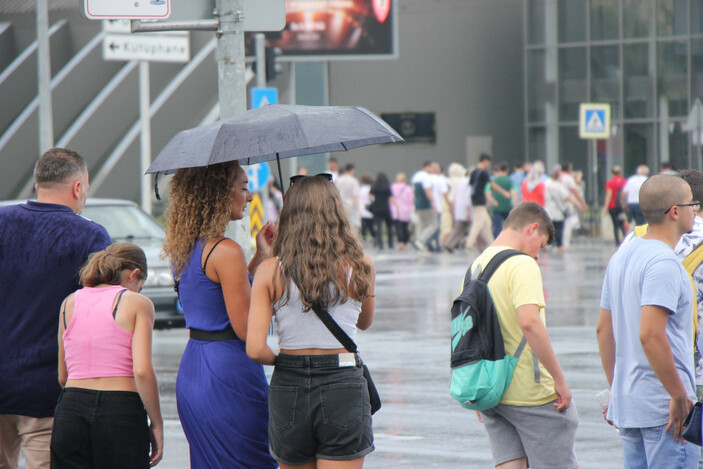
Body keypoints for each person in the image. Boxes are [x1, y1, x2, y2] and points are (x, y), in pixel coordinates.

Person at [246, 174, 376, 469]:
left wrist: (286, 361)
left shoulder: (269, 271)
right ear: (336, 212)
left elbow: (255, 349)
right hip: (343, 382)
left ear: (289, 215)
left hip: (288, 384)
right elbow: (365, 322)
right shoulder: (362, 265)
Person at [0, 148, 112, 469]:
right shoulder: (90, 235)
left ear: (38, 183)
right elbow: (104, 315)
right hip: (49, 391)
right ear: (78, 188)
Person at [162, 161, 277, 469]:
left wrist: (259, 259)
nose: (250, 197)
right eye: (243, 187)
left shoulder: (186, 248)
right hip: (228, 372)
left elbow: (219, 298)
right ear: (219, 193)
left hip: (195, 367)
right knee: (250, 461)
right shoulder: (226, 250)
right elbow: (247, 328)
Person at [597, 174, 699, 468]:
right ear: (675, 211)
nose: (696, 209)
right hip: (665, 411)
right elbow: (650, 335)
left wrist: (618, 388)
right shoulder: (664, 262)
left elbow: (604, 329)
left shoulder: (622, 255)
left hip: (630, 405)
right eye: (692, 203)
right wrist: (679, 395)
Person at [474, 202, 579, 469]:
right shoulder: (521, 264)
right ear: (533, 229)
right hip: (529, 390)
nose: (539, 256)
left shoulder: (477, 264)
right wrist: (559, 380)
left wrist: (478, 387)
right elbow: (530, 323)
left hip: (492, 389)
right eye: (541, 246)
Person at [51, 243, 163, 468]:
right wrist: (157, 424)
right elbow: (141, 371)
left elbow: (63, 375)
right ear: (135, 275)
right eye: (139, 286)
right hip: (120, 409)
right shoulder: (138, 303)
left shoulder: (69, 303)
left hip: (71, 408)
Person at [466, 154, 506, 252]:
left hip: (475, 199)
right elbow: (492, 185)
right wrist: (504, 192)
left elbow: (471, 185)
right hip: (480, 200)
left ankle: (492, 243)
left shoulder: (474, 172)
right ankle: (469, 244)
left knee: (486, 223)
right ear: (485, 161)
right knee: (478, 223)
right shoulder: (483, 173)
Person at [545, 165, 586, 253]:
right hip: (558, 212)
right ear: (558, 177)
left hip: (549, 210)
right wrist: (579, 205)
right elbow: (568, 197)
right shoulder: (559, 186)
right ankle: (559, 246)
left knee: (551, 229)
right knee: (560, 229)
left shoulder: (547, 184)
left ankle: (549, 244)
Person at [442, 167, 472, 253]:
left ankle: (448, 244)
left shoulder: (458, 181)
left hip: (458, 208)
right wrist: (468, 210)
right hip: (465, 209)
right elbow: (467, 196)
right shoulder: (466, 182)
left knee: (459, 228)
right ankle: (449, 244)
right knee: (465, 227)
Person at [411, 161, 438, 251]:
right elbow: (427, 190)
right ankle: (421, 241)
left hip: (418, 204)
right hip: (426, 204)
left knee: (421, 224)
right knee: (434, 224)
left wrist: (414, 204)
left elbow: (413, 192)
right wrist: (433, 202)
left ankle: (418, 242)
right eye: (431, 168)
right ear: (427, 167)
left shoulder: (416, 177)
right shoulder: (426, 177)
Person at [489, 162, 518, 238]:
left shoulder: (494, 180)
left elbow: (489, 194)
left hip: (496, 207)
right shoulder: (509, 180)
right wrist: (515, 205)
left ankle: (497, 243)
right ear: (507, 170)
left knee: (497, 227)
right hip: (507, 206)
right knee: (510, 226)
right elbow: (514, 192)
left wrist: (492, 202)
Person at [602, 165, 627, 246]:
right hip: (621, 206)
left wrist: (605, 208)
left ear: (612, 173)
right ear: (620, 173)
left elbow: (609, 195)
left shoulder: (610, 183)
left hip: (612, 206)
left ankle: (617, 242)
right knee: (622, 222)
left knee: (615, 224)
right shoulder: (624, 182)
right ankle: (625, 239)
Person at [369, 172, 394, 249]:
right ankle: (390, 243)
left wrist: (372, 202)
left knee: (378, 227)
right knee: (389, 226)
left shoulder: (374, 185)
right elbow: (391, 198)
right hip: (386, 207)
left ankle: (380, 244)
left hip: (377, 207)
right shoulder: (387, 186)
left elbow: (369, 195)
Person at [337, 164, 362, 238]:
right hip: (352, 205)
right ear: (352, 170)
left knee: (342, 225)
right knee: (353, 227)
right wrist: (358, 209)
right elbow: (355, 196)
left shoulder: (339, 180)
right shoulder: (353, 181)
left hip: (341, 205)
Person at [390, 172, 414, 250]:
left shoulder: (392, 187)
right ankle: (405, 242)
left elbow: (390, 199)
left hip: (395, 209)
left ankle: (400, 242)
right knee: (405, 227)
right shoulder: (408, 188)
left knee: (398, 227)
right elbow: (411, 200)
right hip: (405, 210)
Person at [359, 174, 376, 244]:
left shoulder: (360, 189)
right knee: (371, 225)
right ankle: (375, 237)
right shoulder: (371, 188)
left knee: (363, 226)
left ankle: (364, 239)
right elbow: (373, 198)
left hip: (362, 209)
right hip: (369, 209)